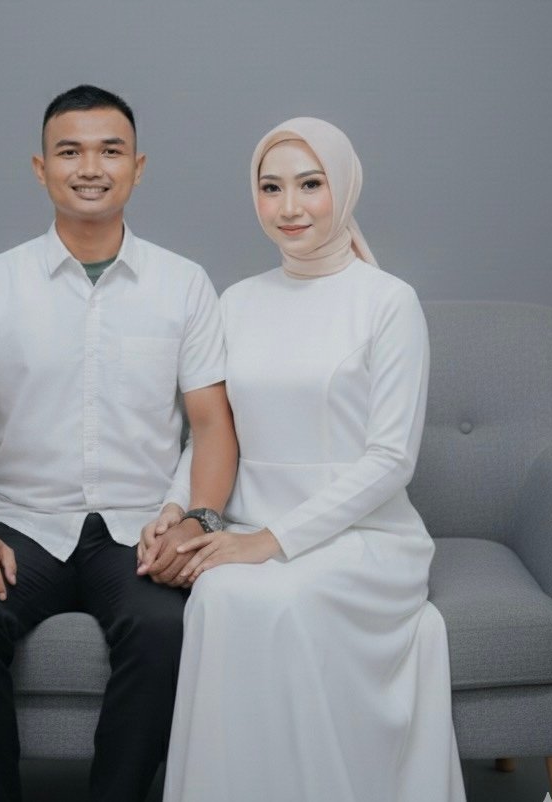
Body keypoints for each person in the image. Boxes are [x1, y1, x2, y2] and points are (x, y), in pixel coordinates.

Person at [0, 84, 238, 802]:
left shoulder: (184, 284)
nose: (90, 167)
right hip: (23, 522)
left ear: (138, 167)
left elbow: (213, 424)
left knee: (166, 630)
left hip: (140, 530)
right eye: (70, 151)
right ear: (41, 169)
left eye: (110, 151)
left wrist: (197, 520)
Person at [157, 117, 467, 802]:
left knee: (284, 599)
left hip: (365, 538)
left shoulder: (389, 303)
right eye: (271, 188)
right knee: (219, 595)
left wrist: (270, 541)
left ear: (344, 188)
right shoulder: (237, 302)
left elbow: (391, 459)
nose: (289, 207)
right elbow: (212, 434)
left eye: (310, 184)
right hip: (246, 525)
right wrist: (176, 510)